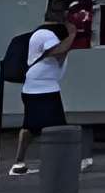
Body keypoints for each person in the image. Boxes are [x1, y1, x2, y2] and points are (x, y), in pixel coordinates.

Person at [10, 14, 86, 177]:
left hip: (41, 86)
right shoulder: (46, 34)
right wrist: (73, 34)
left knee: (30, 128)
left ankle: (19, 163)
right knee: (58, 127)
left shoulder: (48, 34)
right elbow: (58, 52)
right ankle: (63, 162)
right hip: (42, 87)